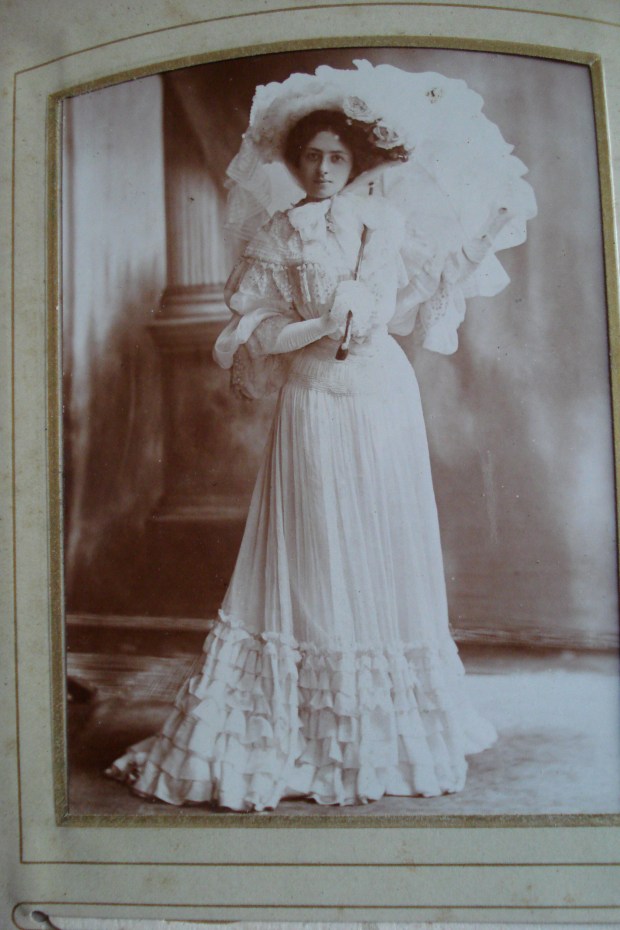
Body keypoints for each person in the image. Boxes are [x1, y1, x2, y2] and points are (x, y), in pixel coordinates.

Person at [106, 60, 537, 811]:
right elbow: (254, 325)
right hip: (313, 400)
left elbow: (401, 302)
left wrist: (476, 243)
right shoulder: (280, 232)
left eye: (339, 156)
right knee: (313, 548)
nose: (326, 168)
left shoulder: (385, 223)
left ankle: (387, 724)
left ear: (358, 161)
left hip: (381, 399)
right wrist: (313, 324)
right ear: (296, 163)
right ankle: (301, 721)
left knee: (382, 541)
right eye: (313, 156)